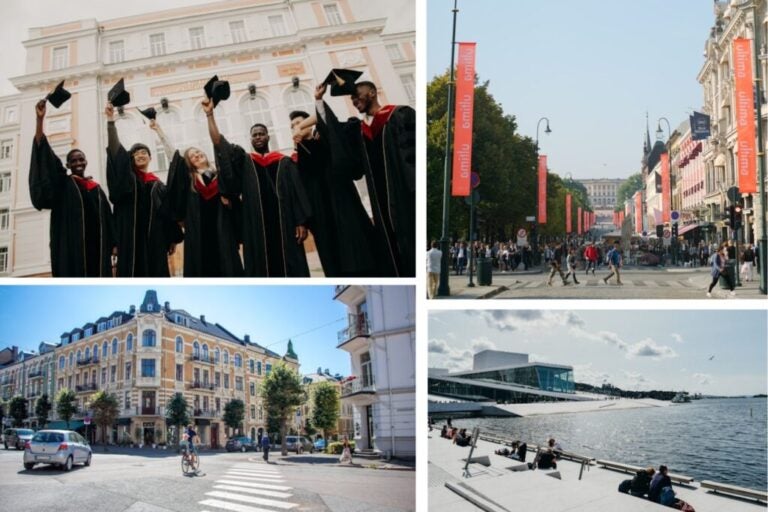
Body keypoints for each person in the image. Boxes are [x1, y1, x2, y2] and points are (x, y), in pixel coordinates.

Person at [315, 79, 415, 277]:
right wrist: (319, 101)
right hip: (380, 205)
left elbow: (414, 157)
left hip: (406, 197)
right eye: (351, 98)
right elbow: (338, 141)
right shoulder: (359, 131)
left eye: (357, 95)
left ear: (371, 92)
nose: (353, 100)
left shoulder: (400, 115)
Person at [206, 99, 311, 277]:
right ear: (250, 139)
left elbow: (297, 193)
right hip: (255, 225)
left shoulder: (284, 162)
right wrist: (209, 115)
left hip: (286, 223)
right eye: (254, 135)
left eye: (261, 134)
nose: (258, 137)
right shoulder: (244, 161)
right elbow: (219, 143)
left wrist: (301, 221)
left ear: (268, 136)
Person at [29, 99, 115, 277]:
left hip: (98, 252)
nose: (78, 163)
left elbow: (108, 219)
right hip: (71, 251)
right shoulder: (63, 185)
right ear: (67, 165)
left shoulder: (97, 190)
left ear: (86, 162)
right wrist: (40, 121)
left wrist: (114, 244)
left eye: (81, 159)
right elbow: (44, 153)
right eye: (74, 160)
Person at [290, 110, 377, 277]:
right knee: (332, 257)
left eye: (299, 123)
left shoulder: (326, 138)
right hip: (320, 214)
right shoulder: (295, 158)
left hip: (342, 201)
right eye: (292, 126)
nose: (296, 128)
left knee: (356, 247)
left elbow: (324, 114)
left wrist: (302, 125)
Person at [156, 118, 243, 277]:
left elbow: (235, 196)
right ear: (189, 163)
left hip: (222, 230)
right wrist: (159, 131)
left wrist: (229, 202)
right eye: (191, 156)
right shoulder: (189, 180)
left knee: (227, 267)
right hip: (198, 232)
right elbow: (173, 156)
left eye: (197, 152)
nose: (196, 155)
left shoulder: (221, 176)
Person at [105, 103, 182, 277]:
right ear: (130, 159)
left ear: (150, 157)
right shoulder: (128, 180)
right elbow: (116, 153)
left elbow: (168, 212)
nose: (140, 155)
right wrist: (110, 121)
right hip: (130, 239)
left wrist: (171, 238)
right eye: (136, 153)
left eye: (144, 152)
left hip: (155, 240)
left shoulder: (157, 184)